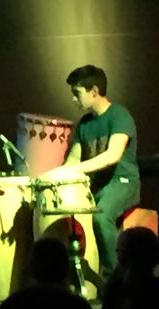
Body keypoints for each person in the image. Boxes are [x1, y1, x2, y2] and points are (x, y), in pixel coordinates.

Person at [40, 64, 139, 273]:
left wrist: (73, 171)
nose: (73, 99)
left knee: (101, 218)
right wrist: (55, 175)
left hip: (122, 182)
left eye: (77, 93)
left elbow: (113, 155)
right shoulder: (84, 124)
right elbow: (73, 161)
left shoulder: (120, 115)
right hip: (96, 187)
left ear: (94, 91)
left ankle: (117, 276)